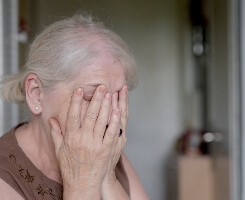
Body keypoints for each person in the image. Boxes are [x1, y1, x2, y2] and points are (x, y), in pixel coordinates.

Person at [0, 13, 149, 200]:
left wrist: (107, 177)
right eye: (90, 97)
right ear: (36, 94)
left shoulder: (105, 151)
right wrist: (84, 182)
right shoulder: (4, 177)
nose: (110, 115)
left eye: (117, 97)